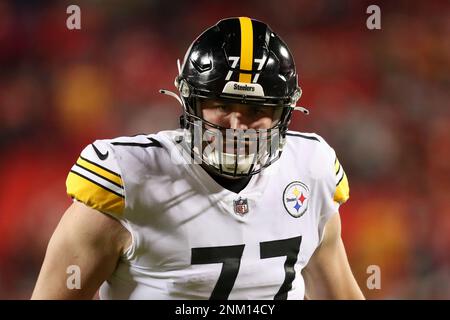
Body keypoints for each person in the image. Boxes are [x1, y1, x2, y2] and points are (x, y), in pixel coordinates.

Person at [32, 17, 364, 300]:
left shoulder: (310, 170)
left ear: (284, 113)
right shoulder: (128, 179)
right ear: (191, 103)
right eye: (222, 106)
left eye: (256, 110)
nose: (237, 126)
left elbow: (339, 291)